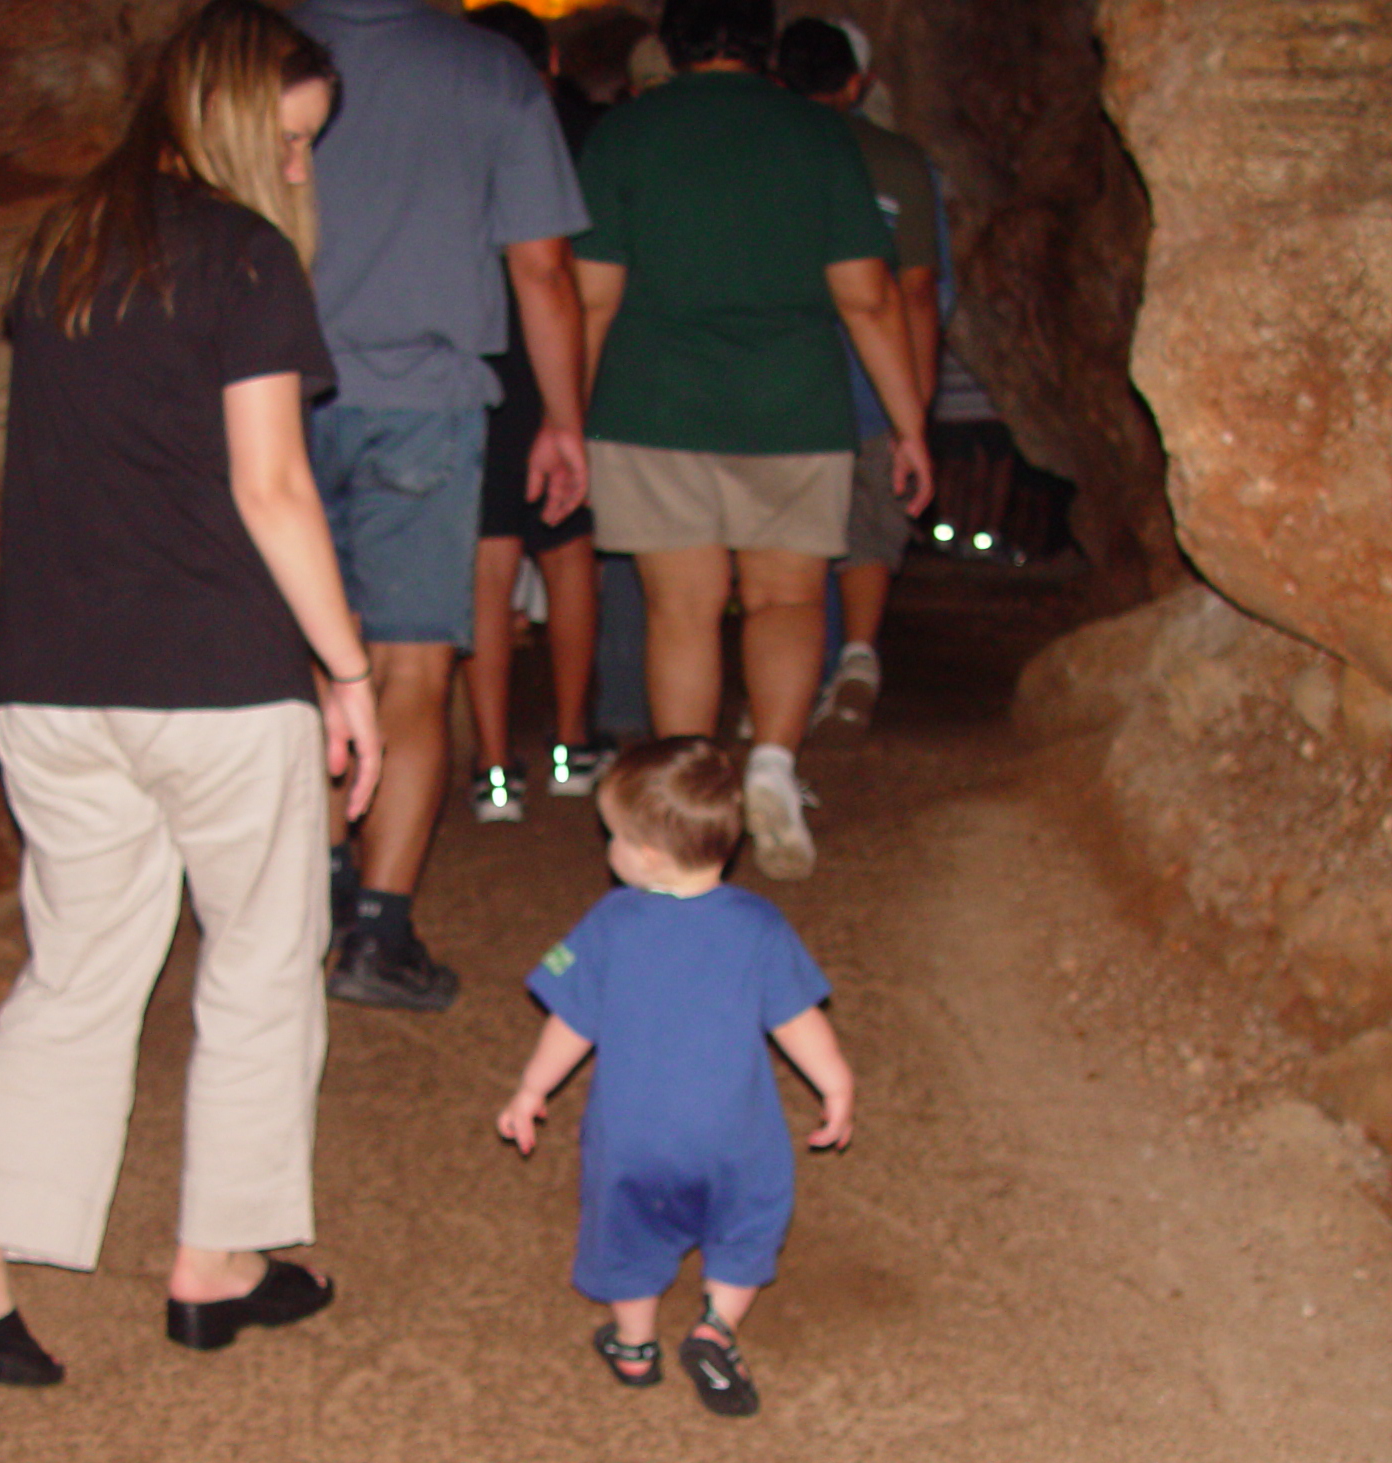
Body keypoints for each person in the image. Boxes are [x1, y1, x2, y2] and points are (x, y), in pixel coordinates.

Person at [0, 0, 381, 1388]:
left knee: (80, 972)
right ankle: (217, 1258)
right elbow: (272, 487)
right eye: (292, 143)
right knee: (260, 960)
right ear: (230, 120)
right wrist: (349, 671)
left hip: (53, 682)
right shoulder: (241, 262)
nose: (301, 173)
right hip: (215, 678)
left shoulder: (64, 251)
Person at [573, 0, 933, 881]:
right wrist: (908, 424)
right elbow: (867, 296)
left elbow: (592, 297)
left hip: (653, 408)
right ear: (764, 41)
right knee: (786, 600)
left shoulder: (624, 136)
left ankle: (692, 792)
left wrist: (563, 417)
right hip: (791, 406)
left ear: (677, 40)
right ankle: (771, 764)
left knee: (681, 609)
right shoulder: (816, 138)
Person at [295, 0, 592, 1011]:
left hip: (274, 396)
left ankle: (316, 896)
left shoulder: (255, 49)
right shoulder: (485, 71)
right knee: (411, 671)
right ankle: (377, 931)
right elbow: (542, 269)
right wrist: (562, 418)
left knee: (305, 663)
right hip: (423, 405)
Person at [496, 736, 853, 1417]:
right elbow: (799, 1021)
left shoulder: (610, 923)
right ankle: (716, 1328)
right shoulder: (759, 924)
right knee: (745, 1230)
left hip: (636, 1142)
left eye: (615, 837)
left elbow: (572, 1023)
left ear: (649, 855)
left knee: (628, 1237)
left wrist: (532, 1089)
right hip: (736, 1140)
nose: (609, 850)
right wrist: (836, 1087)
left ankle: (635, 1347)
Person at [776, 15, 941, 740]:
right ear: (856, 83)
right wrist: (918, 405)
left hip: (786, 378)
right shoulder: (901, 163)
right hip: (877, 379)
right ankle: (859, 658)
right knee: (870, 528)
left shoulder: (767, 154)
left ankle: (795, 677)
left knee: (798, 537)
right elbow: (915, 291)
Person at [463, 0, 603, 823]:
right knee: (566, 548)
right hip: (553, 357)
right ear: (546, 64)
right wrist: (572, 406)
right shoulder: (569, 133)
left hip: (475, 361)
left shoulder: (451, 132)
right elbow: (563, 269)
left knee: (490, 564)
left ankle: (493, 769)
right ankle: (570, 744)